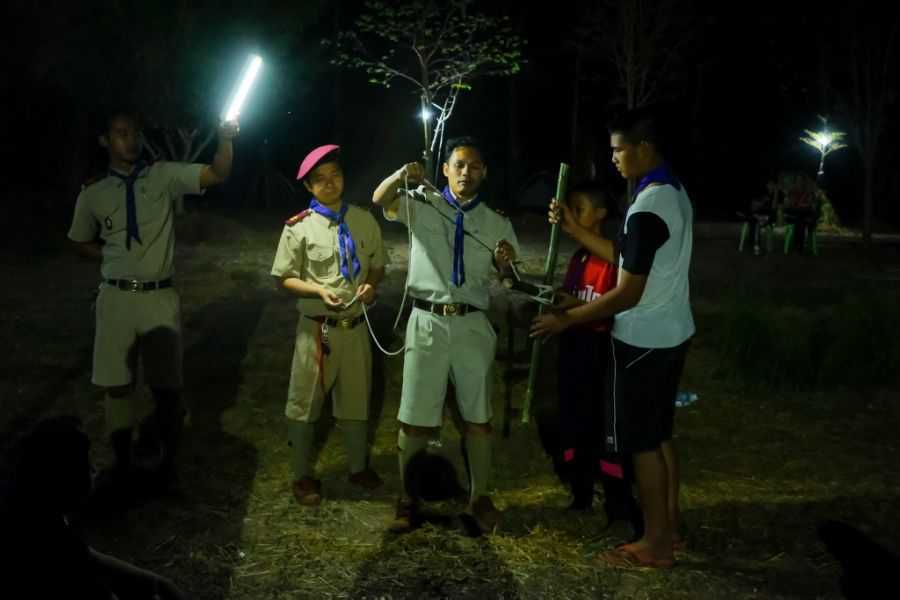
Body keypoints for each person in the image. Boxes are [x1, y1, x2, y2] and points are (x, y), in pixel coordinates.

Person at [531, 106, 694, 569]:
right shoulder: (672, 191)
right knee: (659, 436)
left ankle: (654, 544)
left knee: (641, 443)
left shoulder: (647, 208)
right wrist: (574, 229)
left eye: (620, 150)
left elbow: (626, 292)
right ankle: (669, 530)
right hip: (671, 331)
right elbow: (626, 254)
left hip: (644, 340)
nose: (614, 158)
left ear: (644, 148)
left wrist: (567, 319)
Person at [67, 109, 237, 502]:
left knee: (167, 388)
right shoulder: (93, 193)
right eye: (120, 133)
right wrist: (108, 257)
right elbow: (77, 239)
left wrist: (225, 139)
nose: (130, 140)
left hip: (159, 297)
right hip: (116, 298)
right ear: (105, 141)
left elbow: (217, 173)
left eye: (135, 133)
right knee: (117, 386)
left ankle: (167, 468)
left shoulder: (162, 176)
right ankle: (123, 464)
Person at [372, 137, 519, 533]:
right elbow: (379, 198)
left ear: (484, 172)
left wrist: (505, 264)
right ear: (446, 170)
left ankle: (479, 497)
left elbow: (510, 277)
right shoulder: (422, 203)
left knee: (478, 417)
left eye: (474, 166)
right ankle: (408, 497)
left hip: (472, 324)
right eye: (459, 165)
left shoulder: (496, 222)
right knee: (414, 419)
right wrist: (401, 175)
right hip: (427, 321)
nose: (466, 172)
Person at [270, 144, 387, 506]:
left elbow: (377, 264)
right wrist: (318, 290)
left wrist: (371, 286)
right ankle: (301, 475)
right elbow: (283, 277)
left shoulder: (364, 220)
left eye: (335, 175)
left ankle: (358, 468)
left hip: (356, 326)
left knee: (357, 400)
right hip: (316, 330)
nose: (329, 183)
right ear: (308, 186)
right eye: (319, 179)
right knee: (304, 403)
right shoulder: (298, 227)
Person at [546, 182, 643, 535]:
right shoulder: (580, 257)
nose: (572, 216)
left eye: (579, 209)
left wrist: (574, 309)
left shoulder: (613, 259)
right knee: (574, 422)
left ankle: (619, 503)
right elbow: (575, 297)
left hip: (600, 351)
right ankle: (581, 492)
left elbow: (608, 306)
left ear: (600, 214)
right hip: (573, 348)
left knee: (605, 429)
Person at [0, 416, 185, 598]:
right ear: (63, 478)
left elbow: (91, 560)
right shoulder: (45, 544)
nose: (94, 470)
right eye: (85, 463)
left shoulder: (34, 511)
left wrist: (160, 585)